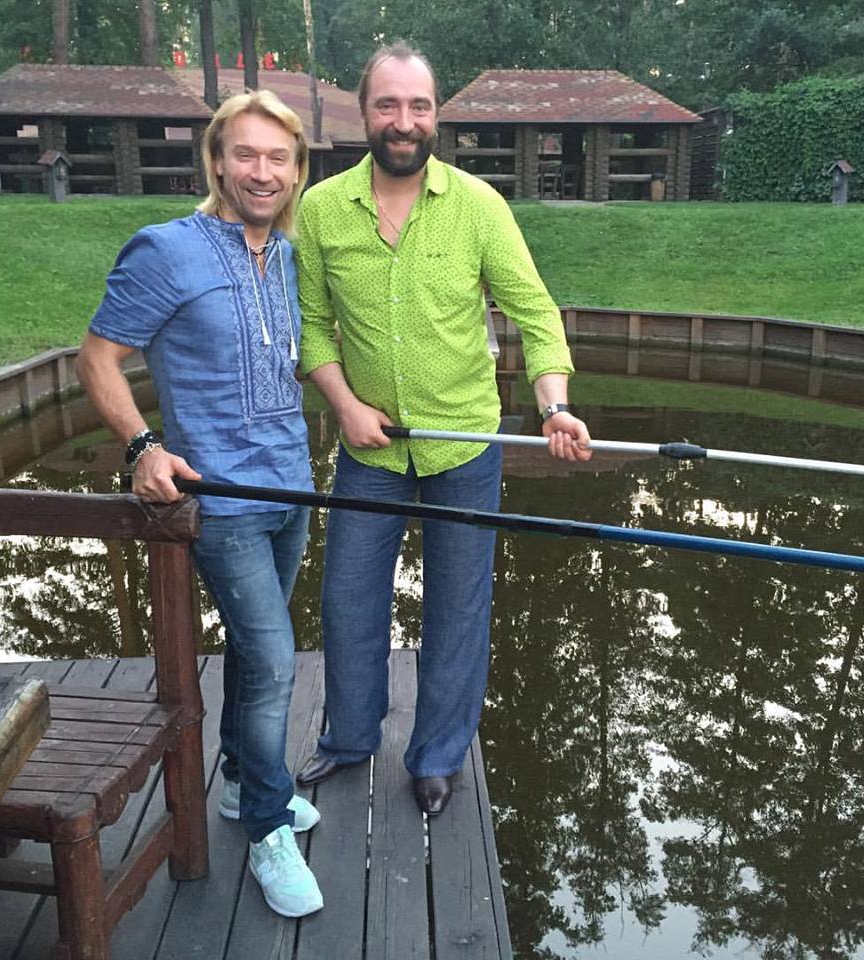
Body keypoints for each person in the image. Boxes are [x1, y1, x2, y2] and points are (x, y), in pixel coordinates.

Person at [294, 42, 592, 816]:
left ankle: (435, 756)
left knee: (457, 608)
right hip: (369, 450)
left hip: (466, 446)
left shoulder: (478, 206)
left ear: (436, 116)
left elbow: (536, 314)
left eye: (418, 106)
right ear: (364, 113)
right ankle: (349, 737)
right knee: (347, 601)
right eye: (388, 105)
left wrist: (554, 406)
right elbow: (313, 327)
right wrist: (344, 405)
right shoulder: (321, 210)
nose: (404, 120)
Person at [75, 91, 323, 919]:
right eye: (245, 154)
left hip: (291, 484)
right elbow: (98, 357)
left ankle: (240, 784)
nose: (263, 171)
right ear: (217, 160)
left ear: (297, 170)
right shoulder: (167, 249)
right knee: (276, 659)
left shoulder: (284, 255)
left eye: (279, 157)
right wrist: (143, 446)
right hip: (220, 499)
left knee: (256, 654)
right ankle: (267, 826)